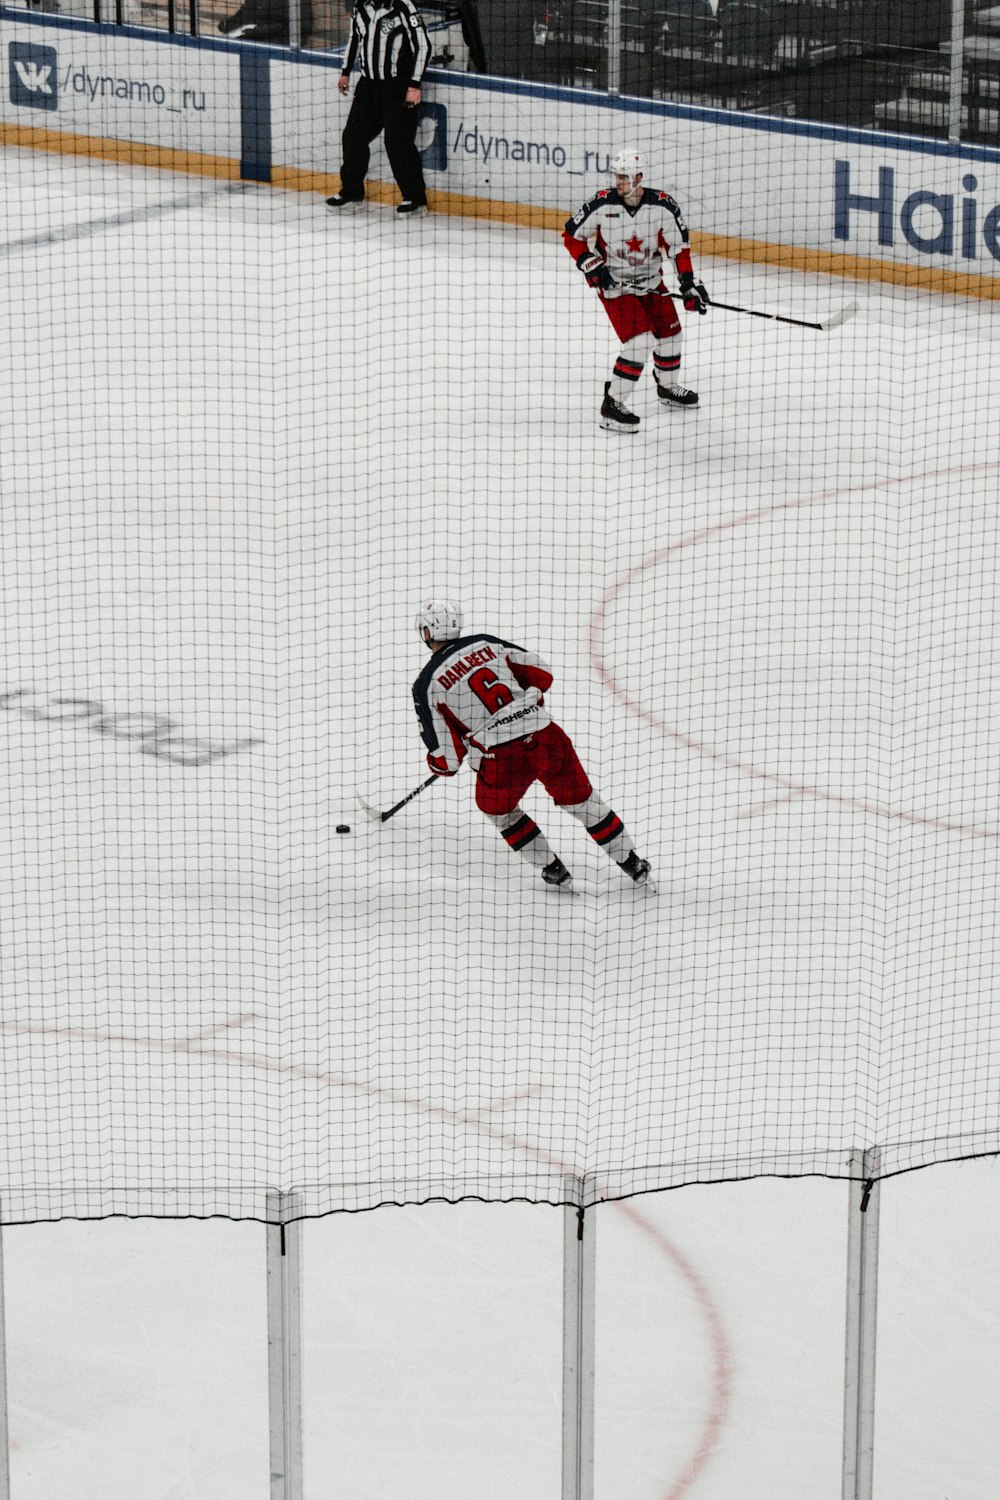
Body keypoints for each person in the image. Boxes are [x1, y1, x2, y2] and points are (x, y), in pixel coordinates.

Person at [411, 601, 652, 890]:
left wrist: (447, 759)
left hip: (501, 760)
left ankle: (554, 869)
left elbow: (446, 760)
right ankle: (632, 862)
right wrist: (525, 702)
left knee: (499, 810)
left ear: (426, 632)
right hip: (546, 737)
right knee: (583, 800)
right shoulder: (486, 643)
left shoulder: (426, 684)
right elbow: (542, 673)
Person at [563, 148, 710, 433]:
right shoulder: (602, 203)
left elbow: (678, 248)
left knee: (672, 335)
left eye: (624, 176)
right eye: (616, 176)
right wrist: (592, 265)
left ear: (639, 177)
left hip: (650, 283)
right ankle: (612, 405)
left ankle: (667, 387)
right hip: (615, 285)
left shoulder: (664, 206)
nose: (618, 181)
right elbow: (572, 236)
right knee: (639, 343)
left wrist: (689, 284)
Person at [326, 0, 432, 217]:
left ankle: (415, 199)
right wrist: (345, 71)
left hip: (398, 86)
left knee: (397, 141)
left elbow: (423, 45)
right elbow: (354, 38)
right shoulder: (361, 6)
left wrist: (414, 84)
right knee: (353, 137)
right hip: (369, 85)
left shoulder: (403, 6)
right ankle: (352, 194)